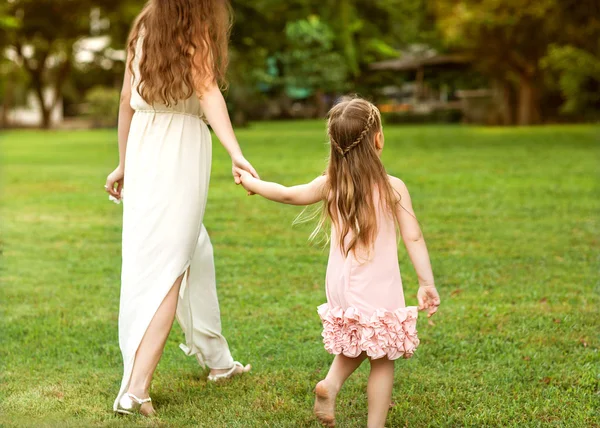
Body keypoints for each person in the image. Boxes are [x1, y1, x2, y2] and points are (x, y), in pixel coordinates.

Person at [235, 97, 440, 428]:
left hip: (342, 284)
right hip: (376, 285)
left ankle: (329, 386)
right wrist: (426, 283)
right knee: (383, 357)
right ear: (378, 139)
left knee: (361, 339)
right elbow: (414, 237)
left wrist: (250, 182)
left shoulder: (332, 184)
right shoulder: (392, 188)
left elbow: (288, 194)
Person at [104, 0, 254, 416]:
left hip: (146, 143)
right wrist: (236, 153)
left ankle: (218, 362)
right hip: (179, 150)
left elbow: (124, 98)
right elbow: (206, 92)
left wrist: (125, 162)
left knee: (194, 250)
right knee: (169, 266)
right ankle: (135, 390)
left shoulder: (144, 23)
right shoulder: (194, 27)